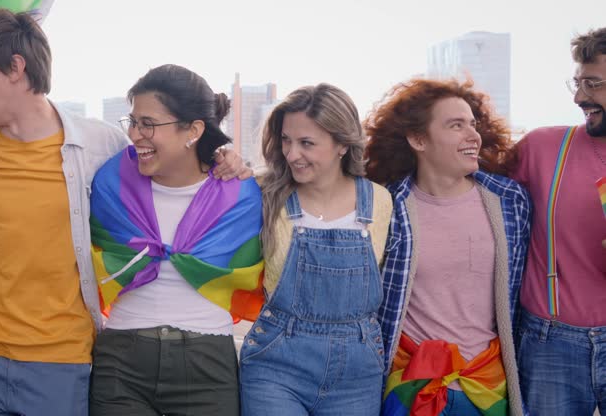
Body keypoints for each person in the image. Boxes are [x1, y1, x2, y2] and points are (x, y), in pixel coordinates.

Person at [0, 10, 250, 415]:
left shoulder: (99, 144)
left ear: (16, 68)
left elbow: (166, 161)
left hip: (60, 360)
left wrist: (222, 159)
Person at [88, 64, 264, 416]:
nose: (136, 134)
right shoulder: (109, 180)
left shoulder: (238, 192)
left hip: (206, 366)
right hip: (121, 361)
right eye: (133, 122)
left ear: (193, 130)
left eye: (149, 124)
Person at [364, 78, 531, 415]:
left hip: (487, 387)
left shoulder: (509, 200)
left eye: (472, 124)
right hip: (410, 385)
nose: (473, 135)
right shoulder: (386, 205)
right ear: (418, 139)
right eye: (456, 125)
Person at [239, 84, 393, 415]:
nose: (292, 154)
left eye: (306, 143)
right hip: (276, 364)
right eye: (286, 140)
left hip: (358, 373)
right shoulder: (264, 194)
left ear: (342, 144)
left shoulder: (380, 201)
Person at [508, 28, 606, 415]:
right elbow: (458, 186)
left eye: (593, 83)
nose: (579, 97)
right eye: (578, 82)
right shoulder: (542, 148)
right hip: (550, 345)